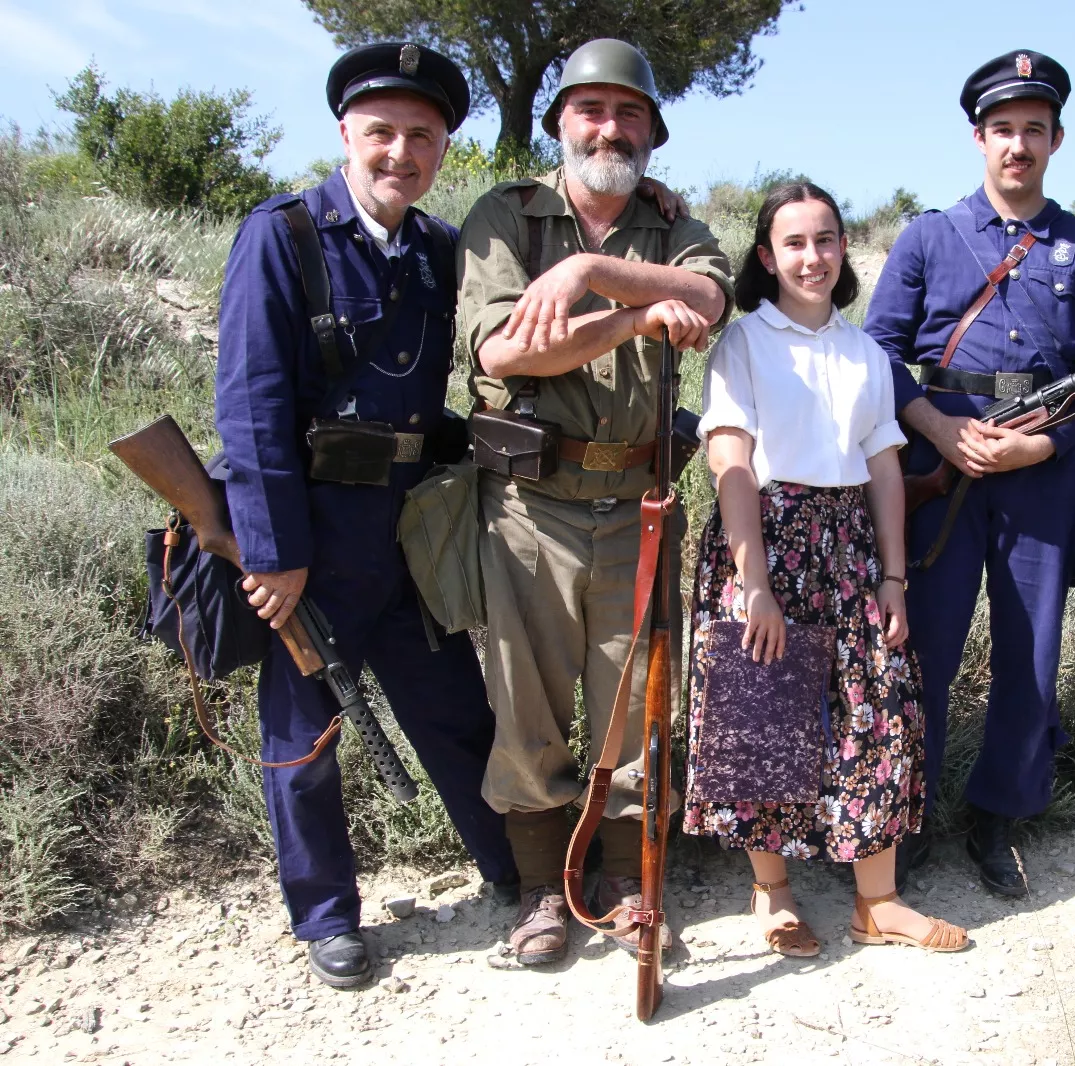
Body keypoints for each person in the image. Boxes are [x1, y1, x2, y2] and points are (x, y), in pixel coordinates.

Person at [213, 41, 519, 988]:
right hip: (312, 536)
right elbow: (252, 403)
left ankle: (517, 872)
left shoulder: (437, 254)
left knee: (457, 715)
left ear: (442, 149)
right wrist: (273, 555)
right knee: (303, 739)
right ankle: (325, 917)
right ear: (345, 133)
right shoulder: (284, 235)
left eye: (420, 136)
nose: (400, 152)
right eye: (380, 132)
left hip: (411, 535)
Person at [455, 38, 733, 966]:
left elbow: (709, 293)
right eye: (591, 110)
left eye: (629, 113)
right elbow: (502, 354)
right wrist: (633, 314)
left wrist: (588, 275)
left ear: (652, 131)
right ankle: (542, 891)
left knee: (639, 707)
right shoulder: (505, 216)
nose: (609, 127)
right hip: (530, 507)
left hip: (642, 502)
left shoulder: (670, 222)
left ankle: (625, 879)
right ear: (561, 123)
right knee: (526, 707)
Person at [865, 50, 1075, 897]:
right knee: (926, 653)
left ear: (1057, 140)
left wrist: (1038, 447)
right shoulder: (928, 236)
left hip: (1039, 476)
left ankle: (998, 818)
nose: (1019, 144)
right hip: (939, 470)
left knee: (1032, 657)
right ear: (979, 137)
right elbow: (879, 353)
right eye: (1004, 129)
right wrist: (939, 427)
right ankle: (905, 816)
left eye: (1035, 130)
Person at [682, 182, 967, 955]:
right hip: (766, 539)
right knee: (762, 714)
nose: (813, 257)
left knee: (875, 714)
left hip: (849, 551)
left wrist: (894, 579)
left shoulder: (865, 351)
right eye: (795, 243)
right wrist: (754, 585)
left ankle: (877, 904)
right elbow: (730, 458)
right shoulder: (743, 342)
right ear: (768, 257)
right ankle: (770, 893)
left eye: (827, 240)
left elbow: (883, 471)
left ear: (844, 251)